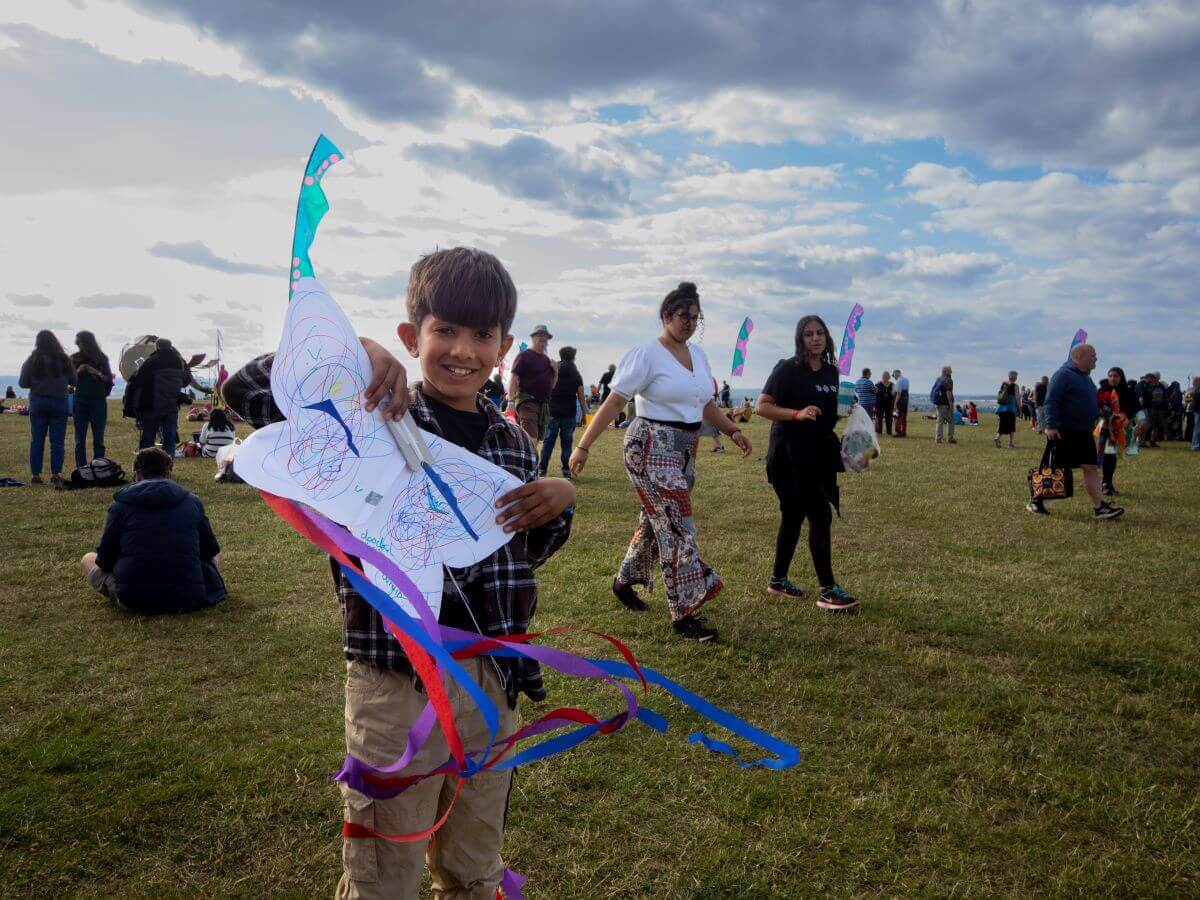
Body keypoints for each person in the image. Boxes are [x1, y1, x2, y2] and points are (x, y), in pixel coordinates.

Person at [226, 247, 574, 898]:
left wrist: (557, 501)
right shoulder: (369, 414)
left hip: (488, 682)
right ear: (413, 336)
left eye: (482, 335)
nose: (463, 350)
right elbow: (247, 392)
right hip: (396, 683)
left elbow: (521, 556)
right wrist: (352, 353)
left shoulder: (510, 443)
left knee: (475, 865)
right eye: (446, 330)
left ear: (502, 347)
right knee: (384, 874)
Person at [569, 281, 750, 643]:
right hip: (649, 445)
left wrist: (732, 431)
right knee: (678, 527)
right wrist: (583, 446)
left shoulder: (698, 357)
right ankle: (684, 612)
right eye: (684, 316)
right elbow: (614, 404)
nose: (689, 323)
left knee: (657, 523)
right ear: (666, 316)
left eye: (696, 318)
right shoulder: (646, 355)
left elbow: (705, 405)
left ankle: (624, 581)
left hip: (685, 447)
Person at [755, 315, 859, 611]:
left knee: (793, 516)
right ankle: (827, 590)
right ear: (800, 339)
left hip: (818, 453)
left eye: (820, 333)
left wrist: (843, 410)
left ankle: (777, 581)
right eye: (808, 334)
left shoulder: (831, 373)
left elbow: (827, 417)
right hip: (789, 455)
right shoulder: (788, 369)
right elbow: (763, 406)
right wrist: (796, 414)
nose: (815, 338)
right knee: (819, 514)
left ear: (827, 337)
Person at [80, 447, 226, 613]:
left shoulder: (120, 506)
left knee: (88, 558)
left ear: (137, 475)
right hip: (188, 596)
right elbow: (210, 551)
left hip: (135, 598)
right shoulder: (192, 501)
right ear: (169, 474)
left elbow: (105, 560)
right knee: (216, 554)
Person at [1027, 343, 1123, 520]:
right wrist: (1050, 425)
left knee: (1091, 467)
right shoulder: (1063, 375)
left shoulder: (1085, 377)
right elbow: (1051, 401)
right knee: (1052, 469)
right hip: (1064, 431)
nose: (1096, 358)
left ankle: (1099, 507)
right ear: (1079, 356)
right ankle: (1036, 501)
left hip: (1084, 432)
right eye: (1093, 355)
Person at [19, 330, 76, 487]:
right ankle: (56, 474)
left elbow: (22, 382)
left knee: (36, 440)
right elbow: (74, 380)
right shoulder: (64, 359)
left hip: (38, 402)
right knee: (57, 441)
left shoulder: (33, 359)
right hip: (59, 402)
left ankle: (36, 475)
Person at [128, 338, 187, 453]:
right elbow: (185, 381)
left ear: (157, 347)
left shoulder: (152, 361)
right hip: (171, 405)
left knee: (148, 438)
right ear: (170, 347)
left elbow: (138, 381)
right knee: (169, 438)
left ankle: (146, 465)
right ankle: (168, 465)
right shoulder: (179, 362)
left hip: (153, 405)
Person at [539, 346, 587, 477]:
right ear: (572, 357)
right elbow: (582, 397)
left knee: (548, 443)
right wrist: (584, 414)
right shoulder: (576, 375)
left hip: (552, 412)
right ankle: (566, 471)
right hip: (569, 414)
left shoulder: (552, 371)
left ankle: (542, 469)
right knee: (567, 444)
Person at [70, 330, 115, 469]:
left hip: (98, 400)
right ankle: (81, 468)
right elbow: (70, 380)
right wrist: (80, 370)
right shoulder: (74, 358)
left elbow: (108, 379)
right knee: (79, 439)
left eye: (80, 342)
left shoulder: (102, 358)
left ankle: (99, 467)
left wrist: (94, 371)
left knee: (99, 439)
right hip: (80, 400)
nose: (78, 345)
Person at [508, 324, 556, 444]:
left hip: (543, 404)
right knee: (531, 438)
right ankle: (530, 462)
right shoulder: (524, 356)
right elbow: (513, 377)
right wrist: (510, 401)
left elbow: (552, 386)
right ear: (533, 337)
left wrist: (555, 372)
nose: (543, 338)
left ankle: (528, 461)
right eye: (539, 335)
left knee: (536, 439)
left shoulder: (546, 360)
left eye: (545, 336)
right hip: (527, 401)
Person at [994, 370, 1019, 448]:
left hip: (1001, 408)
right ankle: (1010, 443)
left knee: (1002, 424)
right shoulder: (1015, 386)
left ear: (1009, 376)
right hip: (1011, 408)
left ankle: (997, 437)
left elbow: (1000, 393)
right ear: (1015, 377)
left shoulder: (1003, 383)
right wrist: (1019, 407)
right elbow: (1017, 398)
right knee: (1011, 426)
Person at [932, 365, 956, 444]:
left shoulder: (939, 379)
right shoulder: (948, 380)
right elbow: (948, 392)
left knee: (939, 422)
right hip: (945, 404)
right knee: (951, 421)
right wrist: (951, 403)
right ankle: (950, 438)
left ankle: (938, 439)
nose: (951, 372)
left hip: (938, 403)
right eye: (950, 370)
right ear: (946, 372)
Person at [873, 370, 894, 436]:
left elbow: (894, 394)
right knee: (879, 418)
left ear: (889, 377)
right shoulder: (878, 384)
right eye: (884, 376)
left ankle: (889, 432)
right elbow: (874, 393)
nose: (885, 377)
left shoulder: (892, 385)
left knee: (889, 419)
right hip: (879, 404)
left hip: (889, 405)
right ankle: (878, 432)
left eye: (886, 376)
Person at [892, 368, 909, 437]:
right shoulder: (906, 380)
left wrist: (895, 403)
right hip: (906, 399)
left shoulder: (899, 381)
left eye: (894, 375)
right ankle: (904, 431)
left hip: (900, 400)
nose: (894, 377)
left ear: (896, 374)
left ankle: (898, 432)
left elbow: (898, 393)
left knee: (898, 416)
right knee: (904, 416)